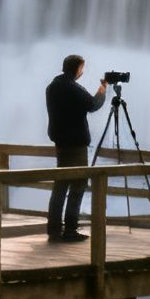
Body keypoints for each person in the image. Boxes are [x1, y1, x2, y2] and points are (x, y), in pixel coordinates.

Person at [45, 53, 107, 242]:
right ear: (77, 69)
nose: (82, 71)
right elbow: (92, 104)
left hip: (61, 142)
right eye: (82, 68)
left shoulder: (52, 87)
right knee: (78, 184)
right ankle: (70, 229)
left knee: (61, 185)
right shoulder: (72, 88)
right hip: (76, 144)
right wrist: (103, 89)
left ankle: (54, 228)